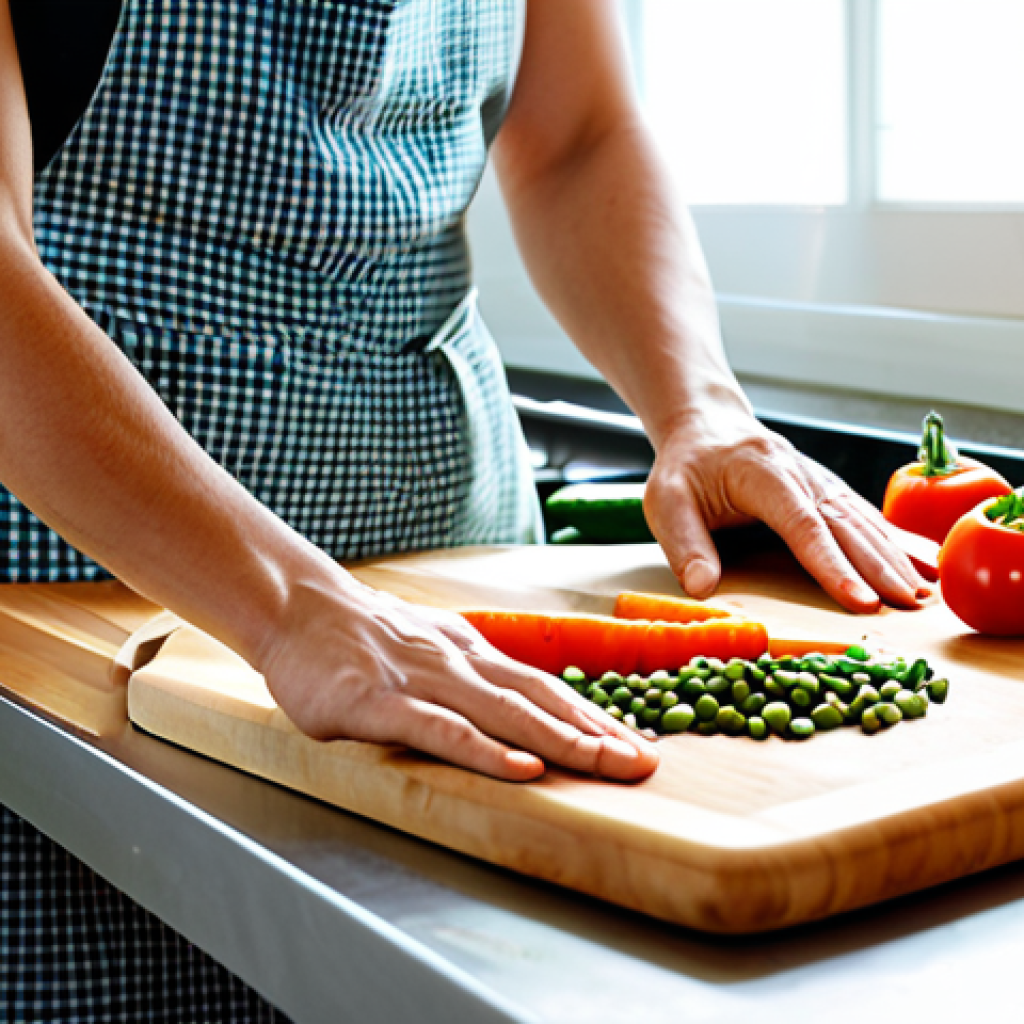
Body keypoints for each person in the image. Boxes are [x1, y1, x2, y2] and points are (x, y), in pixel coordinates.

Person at [0, 0, 928, 1019]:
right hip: (102, 585)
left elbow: (578, 137)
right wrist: (288, 602)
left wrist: (699, 406)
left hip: (460, 542)